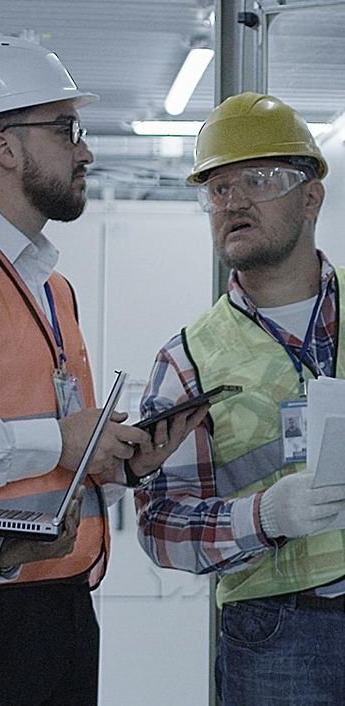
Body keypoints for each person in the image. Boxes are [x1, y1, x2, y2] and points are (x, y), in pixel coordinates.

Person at [0, 37, 205, 705]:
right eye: (65, 130)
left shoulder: (52, 286)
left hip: (57, 592)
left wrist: (112, 459)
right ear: (5, 147)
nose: (84, 150)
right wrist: (58, 440)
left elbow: (47, 437)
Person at [135, 92, 345, 706]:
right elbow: (160, 524)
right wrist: (265, 517)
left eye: (259, 179)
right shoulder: (189, 359)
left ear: (311, 196)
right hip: (277, 634)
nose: (234, 202)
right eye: (219, 188)